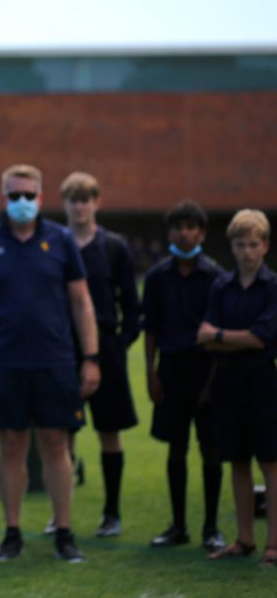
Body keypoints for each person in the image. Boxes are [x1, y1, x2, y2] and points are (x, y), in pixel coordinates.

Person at [0, 164, 100, 563]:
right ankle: (13, 533)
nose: (21, 202)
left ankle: (64, 532)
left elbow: (81, 301)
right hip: (5, 362)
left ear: (40, 197)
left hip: (55, 360)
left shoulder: (60, 240)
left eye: (28, 195)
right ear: (3, 197)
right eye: (13, 195)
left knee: (56, 444)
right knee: (11, 446)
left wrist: (90, 357)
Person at [59, 172, 140, 537]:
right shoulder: (56, 245)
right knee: (63, 434)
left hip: (105, 349)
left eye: (85, 199)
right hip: (63, 349)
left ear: (97, 203)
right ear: (64, 204)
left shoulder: (114, 248)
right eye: (73, 199)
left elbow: (132, 306)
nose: (79, 206)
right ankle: (61, 517)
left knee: (109, 431)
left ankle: (112, 512)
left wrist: (118, 347)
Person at [143, 200, 226, 551]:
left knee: (210, 449)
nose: (184, 233)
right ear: (170, 232)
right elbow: (151, 329)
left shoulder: (216, 276)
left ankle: (211, 527)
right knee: (175, 448)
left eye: (191, 227)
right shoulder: (157, 277)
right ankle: (178, 525)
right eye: (178, 227)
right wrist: (151, 372)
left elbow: (223, 329)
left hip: (207, 369)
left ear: (202, 233)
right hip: (172, 370)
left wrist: (214, 381)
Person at [196, 209, 277, 565]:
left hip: (261, 380)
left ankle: (274, 542)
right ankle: (244, 539)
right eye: (240, 244)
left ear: (265, 246)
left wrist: (218, 336)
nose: (246, 251)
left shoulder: (273, 287)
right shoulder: (221, 286)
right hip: (227, 381)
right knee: (237, 461)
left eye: (253, 244)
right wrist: (227, 338)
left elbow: (262, 339)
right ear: (231, 246)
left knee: (270, 462)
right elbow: (203, 338)